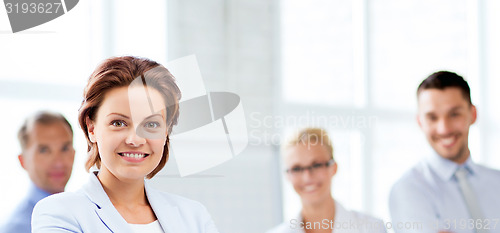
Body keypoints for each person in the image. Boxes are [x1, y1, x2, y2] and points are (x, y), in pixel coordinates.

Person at [32, 56, 220, 233]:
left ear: (166, 131)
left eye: (151, 124)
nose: (135, 140)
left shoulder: (194, 217)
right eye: (118, 123)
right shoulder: (59, 213)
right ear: (91, 127)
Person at [389, 71, 500, 233]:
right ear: (420, 122)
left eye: (454, 114)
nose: (444, 129)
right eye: (432, 117)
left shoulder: (496, 181)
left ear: (473, 114)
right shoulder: (408, 190)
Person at [267, 128, 386, 233]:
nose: (307, 177)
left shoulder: (372, 228)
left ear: (333, 168)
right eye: (297, 169)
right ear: (287, 175)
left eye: (317, 165)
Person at [0, 111, 75, 233]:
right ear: (23, 161)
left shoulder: (86, 214)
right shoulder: (14, 228)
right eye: (44, 150)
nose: (59, 163)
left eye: (65, 148)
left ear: (74, 153)